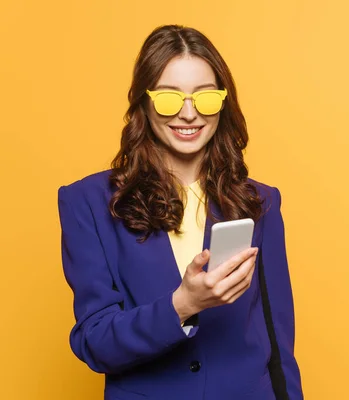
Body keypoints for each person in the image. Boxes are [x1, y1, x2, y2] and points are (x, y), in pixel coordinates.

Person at [57, 24, 303, 400]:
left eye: (205, 98)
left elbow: (278, 340)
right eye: (170, 99)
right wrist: (182, 305)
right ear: (143, 101)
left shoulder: (260, 202)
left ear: (223, 101)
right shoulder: (87, 202)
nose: (189, 114)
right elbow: (95, 341)